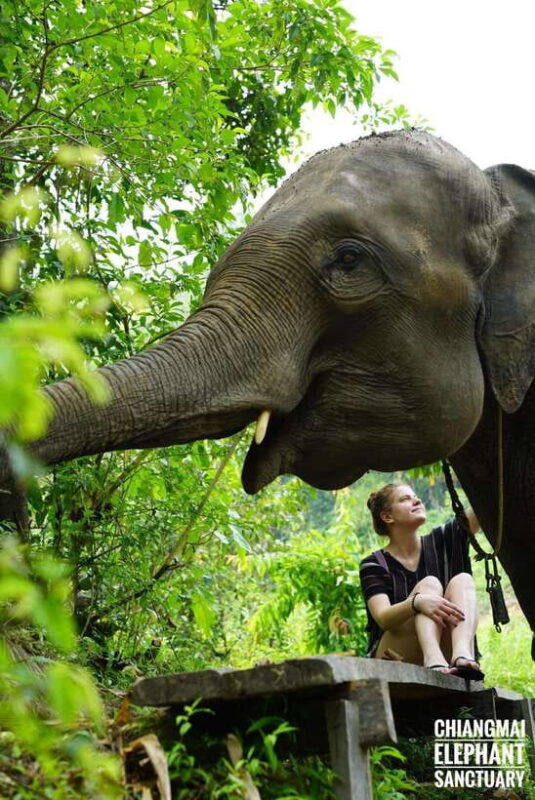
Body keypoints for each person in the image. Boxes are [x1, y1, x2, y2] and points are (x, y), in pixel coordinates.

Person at [359, 482, 484, 679]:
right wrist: (417, 603)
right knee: (429, 585)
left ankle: (463, 656)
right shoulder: (374, 564)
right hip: (395, 655)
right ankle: (432, 659)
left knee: (463, 580)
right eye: (405, 499)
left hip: (447, 651)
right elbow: (383, 617)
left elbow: (486, 507)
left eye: (415, 496)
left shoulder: (444, 539)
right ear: (387, 516)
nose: (416, 500)